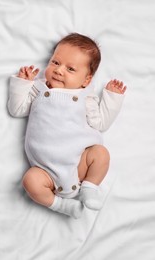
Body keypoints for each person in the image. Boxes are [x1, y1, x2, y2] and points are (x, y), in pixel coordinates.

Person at [8, 33, 126, 219]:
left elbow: (101, 123)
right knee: (30, 181)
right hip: (44, 170)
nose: (59, 70)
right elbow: (17, 109)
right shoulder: (39, 89)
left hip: (80, 162)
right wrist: (22, 84)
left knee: (101, 154)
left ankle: (89, 186)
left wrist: (112, 98)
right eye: (55, 62)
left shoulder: (85, 97)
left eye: (70, 69)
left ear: (86, 80)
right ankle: (60, 205)